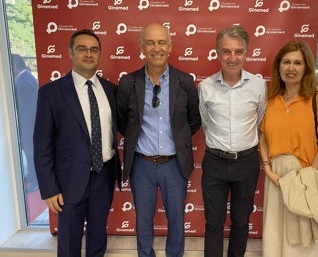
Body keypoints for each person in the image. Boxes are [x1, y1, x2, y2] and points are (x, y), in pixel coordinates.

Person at [33, 29, 121, 257]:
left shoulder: (111, 90)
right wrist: (49, 188)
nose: (88, 54)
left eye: (93, 50)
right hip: (68, 181)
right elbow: (42, 145)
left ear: (100, 54)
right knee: (69, 240)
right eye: (82, 49)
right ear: (71, 53)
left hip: (104, 175)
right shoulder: (51, 93)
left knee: (98, 235)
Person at [117, 22, 201, 257]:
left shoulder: (184, 82)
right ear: (142, 47)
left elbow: (194, 119)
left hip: (174, 164)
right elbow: (123, 121)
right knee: (143, 221)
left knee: (176, 220)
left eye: (162, 42)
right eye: (151, 42)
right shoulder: (128, 83)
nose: (157, 48)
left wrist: (180, 140)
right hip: (141, 164)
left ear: (170, 47)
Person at [259, 40, 318, 257]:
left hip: (305, 175)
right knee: (275, 235)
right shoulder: (272, 100)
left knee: (301, 240)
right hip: (275, 176)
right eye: (286, 62)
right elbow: (263, 137)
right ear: (278, 66)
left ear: (307, 68)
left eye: (297, 63)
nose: (291, 68)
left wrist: (306, 176)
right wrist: (268, 169)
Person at [198, 25, 267, 257]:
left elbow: (259, 121)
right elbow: (205, 122)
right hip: (215, 162)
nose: (232, 57)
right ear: (218, 52)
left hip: (246, 163)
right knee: (213, 223)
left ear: (247, 52)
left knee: (241, 220)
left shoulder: (258, 86)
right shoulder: (205, 87)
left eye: (238, 51)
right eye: (226, 51)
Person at [11, 53, 39, 193]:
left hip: (29, 126)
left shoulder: (24, 82)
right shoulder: (26, 79)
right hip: (28, 126)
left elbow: (30, 108)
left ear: (14, 66)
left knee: (31, 153)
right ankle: (31, 177)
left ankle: (35, 181)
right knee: (29, 153)